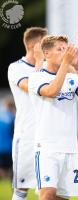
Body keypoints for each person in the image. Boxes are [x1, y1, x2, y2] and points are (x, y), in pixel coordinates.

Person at [28, 35, 78, 200]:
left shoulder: (71, 78)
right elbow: (51, 91)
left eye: (66, 49)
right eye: (59, 49)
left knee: (63, 197)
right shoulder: (36, 77)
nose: (65, 53)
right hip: (47, 148)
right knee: (47, 194)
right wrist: (66, 63)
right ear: (46, 53)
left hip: (70, 148)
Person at [7, 27, 47, 200]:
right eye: (46, 43)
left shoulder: (49, 68)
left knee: (48, 190)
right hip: (27, 137)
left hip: (47, 137)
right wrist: (39, 61)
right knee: (21, 190)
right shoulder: (16, 68)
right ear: (35, 46)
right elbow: (32, 88)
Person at [0, 98, 15, 179]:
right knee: (11, 167)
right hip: (9, 147)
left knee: (1, 167)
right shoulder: (13, 118)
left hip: (0, 147)